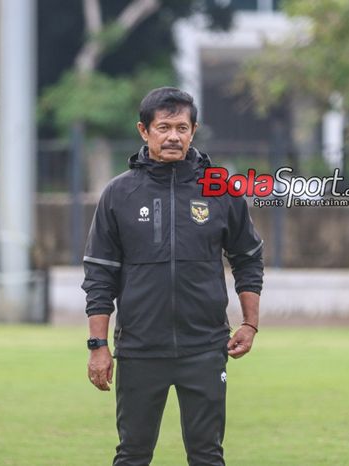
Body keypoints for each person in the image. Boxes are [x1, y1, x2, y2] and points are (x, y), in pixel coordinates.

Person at [82, 87, 264, 466]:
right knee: (132, 454)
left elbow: (247, 258)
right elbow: (100, 274)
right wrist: (97, 345)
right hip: (139, 348)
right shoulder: (119, 194)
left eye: (182, 127)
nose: (173, 136)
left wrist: (250, 323)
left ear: (193, 130)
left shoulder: (221, 191)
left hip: (204, 348)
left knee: (207, 455)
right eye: (163, 127)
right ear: (144, 131)